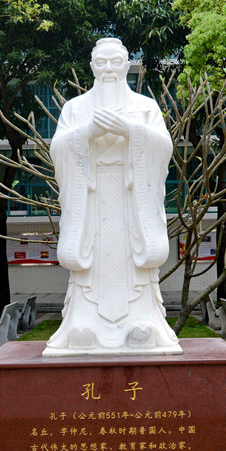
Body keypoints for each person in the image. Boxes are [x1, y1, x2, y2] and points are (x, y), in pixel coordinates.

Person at [43, 38, 181, 356]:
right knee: (90, 262)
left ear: (126, 66)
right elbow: (58, 149)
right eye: (102, 62)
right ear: (92, 66)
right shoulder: (75, 108)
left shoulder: (145, 107)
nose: (108, 68)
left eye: (115, 62)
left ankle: (141, 322)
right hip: (90, 200)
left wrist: (131, 130)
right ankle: (83, 324)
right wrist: (87, 132)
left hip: (132, 199)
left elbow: (164, 148)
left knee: (134, 264)